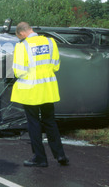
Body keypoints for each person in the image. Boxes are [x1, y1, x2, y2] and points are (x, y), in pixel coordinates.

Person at [11, 22, 69, 167]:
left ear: (21, 34)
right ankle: (60, 154)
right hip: (48, 89)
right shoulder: (50, 42)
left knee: (34, 123)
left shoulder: (22, 46)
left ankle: (40, 158)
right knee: (50, 121)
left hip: (30, 91)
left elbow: (19, 71)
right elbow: (56, 65)